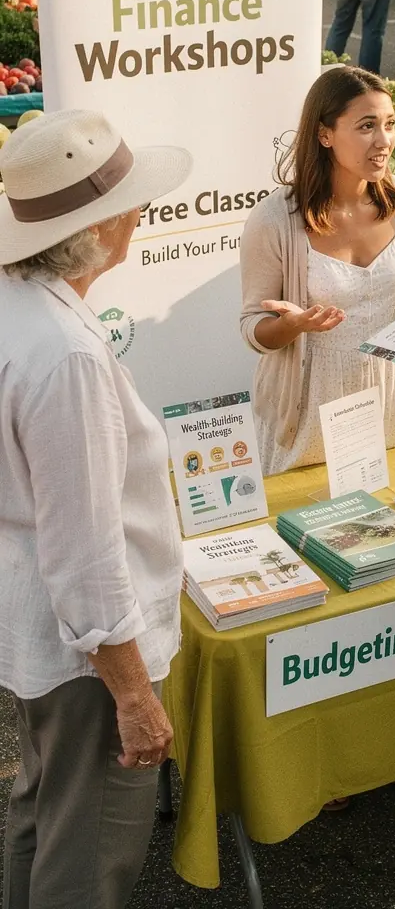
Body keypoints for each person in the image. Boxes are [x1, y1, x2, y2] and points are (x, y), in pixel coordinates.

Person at [0, 109, 192, 907]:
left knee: (44, 809)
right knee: (91, 849)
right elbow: (85, 550)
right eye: (132, 202)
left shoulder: (19, 305)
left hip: (39, 627)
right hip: (87, 653)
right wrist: (134, 696)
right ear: (102, 226)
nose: (140, 214)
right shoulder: (65, 353)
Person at [240, 66, 395, 477]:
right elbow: (253, 328)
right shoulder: (274, 219)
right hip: (309, 400)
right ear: (325, 134)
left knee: (391, 522)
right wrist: (293, 326)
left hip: (388, 393)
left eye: (389, 124)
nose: (383, 142)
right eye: (367, 126)